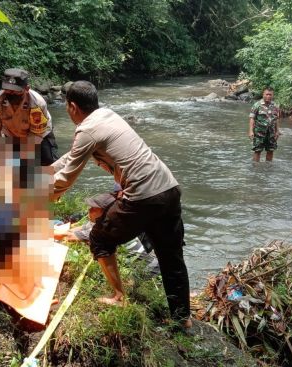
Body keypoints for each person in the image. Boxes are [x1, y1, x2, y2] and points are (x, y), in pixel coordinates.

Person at [51, 81, 192, 331]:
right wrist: (45, 173)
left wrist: (45, 195)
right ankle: (183, 319)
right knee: (171, 256)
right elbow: (71, 157)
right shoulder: (107, 115)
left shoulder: (87, 130)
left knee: (100, 238)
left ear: (72, 106)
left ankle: (118, 297)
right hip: (168, 188)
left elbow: (68, 175)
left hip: (142, 195)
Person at [0, 68, 58, 165]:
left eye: (15, 91)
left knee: (49, 166)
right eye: (8, 90)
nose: (11, 94)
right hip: (11, 134)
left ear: (27, 89)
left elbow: (35, 136)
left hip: (40, 134)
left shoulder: (37, 104)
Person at [248, 87, 280, 162]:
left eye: (270, 94)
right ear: (263, 94)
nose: (268, 96)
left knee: (270, 150)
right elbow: (252, 118)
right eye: (267, 94)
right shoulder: (257, 105)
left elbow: (277, 119)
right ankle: (255, 168)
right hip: (259, 133)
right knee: (257, 150)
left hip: (271, 133)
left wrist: (277, 131)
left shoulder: (275, 106)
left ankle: (268, 169)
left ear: (272, 95)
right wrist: (250, 131)